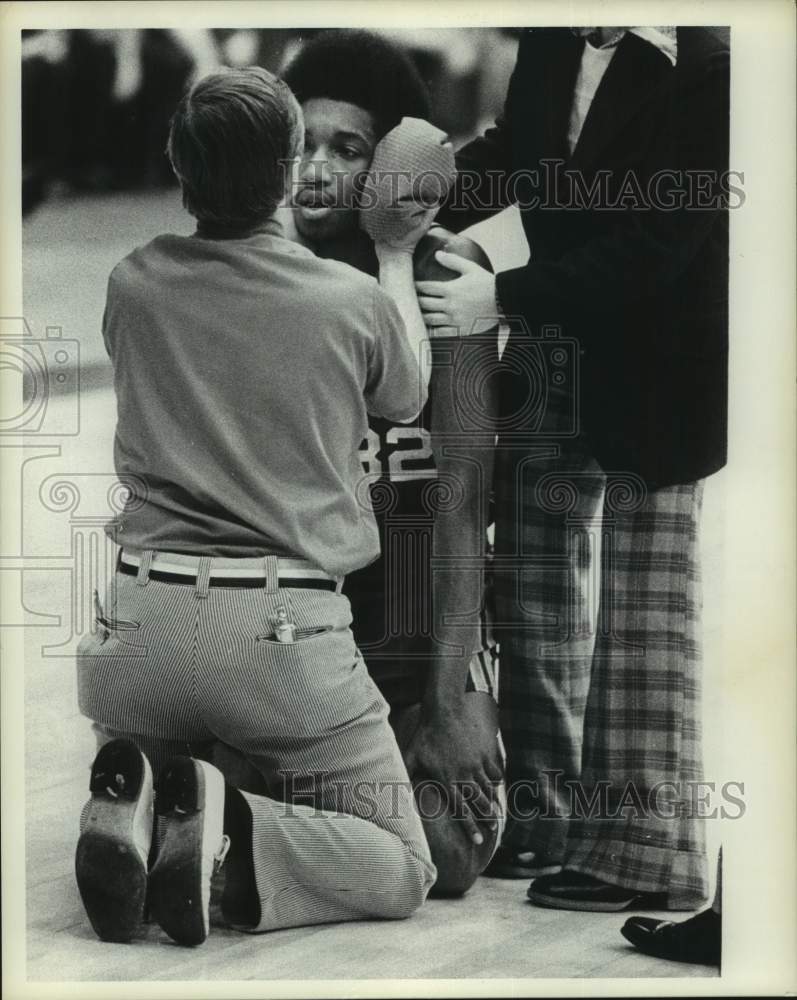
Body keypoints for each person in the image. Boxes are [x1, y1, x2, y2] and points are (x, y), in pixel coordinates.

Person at [74, 65, 437, 947]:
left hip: (138, 631)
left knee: (175, 737)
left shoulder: (134, 281)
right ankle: (230, 834)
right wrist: (392, 251)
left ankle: (154, 801)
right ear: (287, 170)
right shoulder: (348, 302)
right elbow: (408, 395)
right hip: (279, 637)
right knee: (400, 863)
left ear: (176, 167)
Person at [421, 27, 729, 909]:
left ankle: (644, 858)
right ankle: (545, 813)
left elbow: (656, 245)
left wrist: (502, 294)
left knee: (643, 611)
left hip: (666, 370)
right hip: (565, 343)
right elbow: (519, 158)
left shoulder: (710, 69)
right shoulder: (555, 40)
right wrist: (418, 183)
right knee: (528, 568)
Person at [215, 28, 505, 897]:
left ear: (390, 164)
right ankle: (225, 803)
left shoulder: (444, 272)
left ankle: (223, 831)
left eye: (346, 149)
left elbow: (461, 500)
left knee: (452, 858)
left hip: (411, 637)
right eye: (301, 141)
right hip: (294, 637)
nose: (315, 169)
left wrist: (450, 701)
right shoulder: (252, 275)